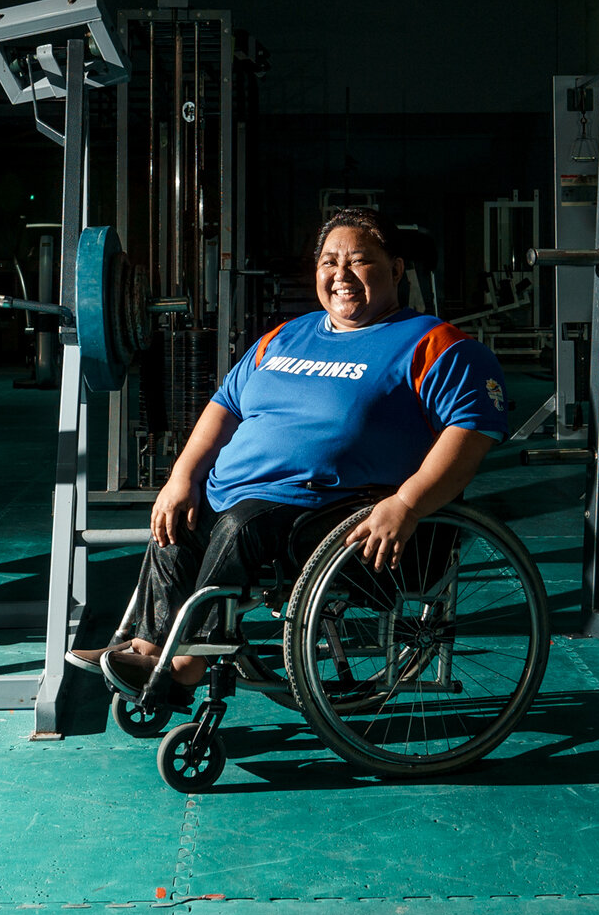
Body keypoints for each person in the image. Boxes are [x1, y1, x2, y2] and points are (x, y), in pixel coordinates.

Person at [70, 206, 509, 709]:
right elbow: (224, 406)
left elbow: (472, 432)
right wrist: (181, 476)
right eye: (328, 262)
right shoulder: (285, 336)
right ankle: (148, 647)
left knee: (241, 524)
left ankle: (187, 665)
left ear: (396, 269)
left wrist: (407, 504)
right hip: (244, 504)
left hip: (333, 513)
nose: (340, 276)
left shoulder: (435, 344)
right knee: (179, 518)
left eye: (359, 261)